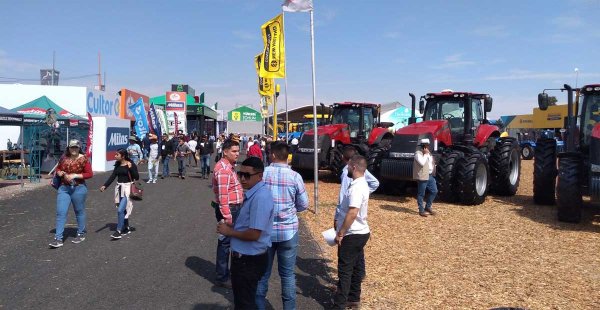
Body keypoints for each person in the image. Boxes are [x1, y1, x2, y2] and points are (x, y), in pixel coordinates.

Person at [256, 142, 309, 310]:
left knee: (262, 275)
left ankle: (259, 306)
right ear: (287, 156)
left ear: (272, 155)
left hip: (265, 232)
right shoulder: (295, 177)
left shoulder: (262, 174)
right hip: (288, 231)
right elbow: (303, 204)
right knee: (287, 276)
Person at [217, 157, 274, 310]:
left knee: (245, 304)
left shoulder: (261, 197)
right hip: (246, 259)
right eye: (240, 174)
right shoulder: (254, 194)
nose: (242, 178)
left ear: (260, 175)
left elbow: (254, 234)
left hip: (248, 261)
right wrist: (234, 226)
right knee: (244, 301)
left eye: (247, 175)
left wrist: (230, 231)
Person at [332, 155, 371, 309]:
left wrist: (341, 232)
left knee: (345, 270)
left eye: (348, 166)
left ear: (354, 167)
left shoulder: (356, 187)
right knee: (356, 266)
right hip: (361, 232)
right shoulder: (362, 184)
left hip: (352, 234)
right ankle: (354, 298)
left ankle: (339, 304)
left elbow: (353, 212)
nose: (347, 168)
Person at [49, 140, 93, 248]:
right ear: (68, 148)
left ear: (79, 148)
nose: (74, 149)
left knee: (79, 211)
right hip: (64, 188)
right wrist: (60, 172)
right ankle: (58, 238)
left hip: (78, 188)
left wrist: (75, 175)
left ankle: (81, 233)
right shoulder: (64, 158)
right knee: (61, 212)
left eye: (76, 147)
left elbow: (89, 174)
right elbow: (58, 168)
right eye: (72, 147)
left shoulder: (84, 159)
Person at [212, 139, 244, 288]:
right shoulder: (224, 169)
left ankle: (227, 274)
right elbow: (223, 196)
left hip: (234, 208)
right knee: (225, 243)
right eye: (234, 151)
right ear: (225, 152)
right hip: (230, 210)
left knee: (230, 242)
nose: (237, 154)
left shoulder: (229, 166)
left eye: (238, 151)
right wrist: (227, 217)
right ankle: (223, 277)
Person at [100, 148, 140, 239]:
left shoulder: (131, 164)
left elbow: (136, 177)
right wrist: (105, 186)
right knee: (123, 209)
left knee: (120, 210)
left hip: (127, 189)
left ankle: (119, 230)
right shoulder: (117, 164)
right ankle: (126, 228)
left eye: (117, 155)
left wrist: (131, 168)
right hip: (119, 189)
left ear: (123, 156)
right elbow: (113, 176)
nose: (115, 156)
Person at [413, 138, 437, 217]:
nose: (427, 147)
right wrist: (426, 154)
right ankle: (421, 210)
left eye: (427, 145)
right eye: (425, 145)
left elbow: (431, 163)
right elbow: (422, 163)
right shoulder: (418, 154)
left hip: (430, 175)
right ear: (422, 146)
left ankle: (428, 206)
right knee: (421, 194)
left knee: (434, 191)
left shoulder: (428, 153)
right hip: (422, 176)